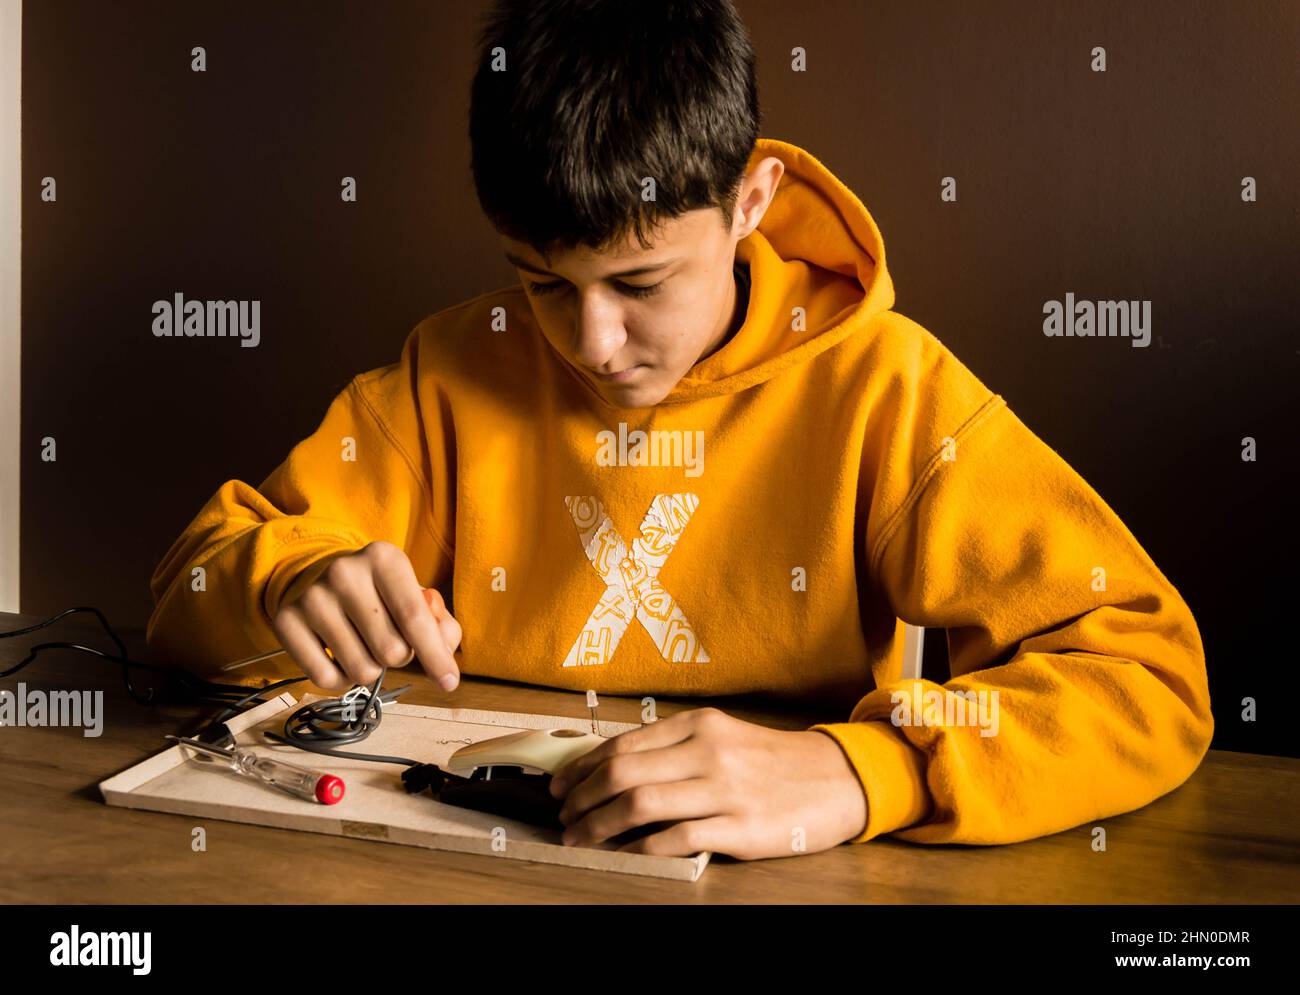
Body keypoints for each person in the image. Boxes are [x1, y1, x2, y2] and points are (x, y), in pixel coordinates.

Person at [147, 0, 1213, 859]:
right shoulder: (449, 372)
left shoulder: (887, 390)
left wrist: (864, 770)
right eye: (544, 285)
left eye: (640, 281)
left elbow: (1148, 676)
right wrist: (285, 581)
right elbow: (188, 600)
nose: (593, 343)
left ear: (751, 201)